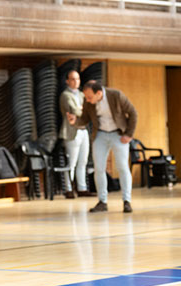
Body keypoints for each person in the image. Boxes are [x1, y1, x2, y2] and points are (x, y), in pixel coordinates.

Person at [72, 80, 137, 213]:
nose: (88, 100)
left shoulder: (116, 95)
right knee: (99, 168)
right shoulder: (89, 101)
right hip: (100, 135)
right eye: (86, 97)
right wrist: (74, 121)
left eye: (90, 97)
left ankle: (127, 201)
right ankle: (102, 201)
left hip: (118, 134)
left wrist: (129, 134)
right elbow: (84, 119)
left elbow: (133, 113)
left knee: (122, 167)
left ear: (99, 93)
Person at [58, 70, 90, 198]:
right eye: (72, 79)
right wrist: (82, 109)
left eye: (77, 79)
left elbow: (88, 110)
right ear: (67, 81)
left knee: (83, 161)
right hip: (72, 131)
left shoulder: (82, 95)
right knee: (72, 161)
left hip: (83, 130)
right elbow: (74, 110)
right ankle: (68, 188)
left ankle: (82, 188)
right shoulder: (65, 95)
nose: (76, 81)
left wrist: (83, 110)